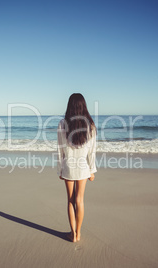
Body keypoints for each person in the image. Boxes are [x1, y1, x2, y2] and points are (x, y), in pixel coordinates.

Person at [57, 93, 97, 242]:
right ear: (83, 106)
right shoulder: (90, 125)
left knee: (70, 200)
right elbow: (92, 151)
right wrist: (92, 170)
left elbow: (60, 149)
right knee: (80, 200)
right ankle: (78, 233)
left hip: (68, 166)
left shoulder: (62, 123)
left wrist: (59, 169)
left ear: (70, 106)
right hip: (83, 167)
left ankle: (72, 233)